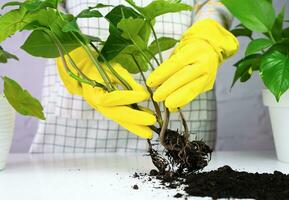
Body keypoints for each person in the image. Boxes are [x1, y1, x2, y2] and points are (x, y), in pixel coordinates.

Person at [29, 0, 238, 153]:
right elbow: (38, 6)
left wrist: (209, 34)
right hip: (74, 127)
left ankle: (183, 152)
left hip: (189, 99)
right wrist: (74, 52)